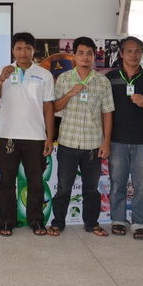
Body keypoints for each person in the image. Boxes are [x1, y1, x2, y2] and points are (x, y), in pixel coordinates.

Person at [50, 36, 114, 237]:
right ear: (74, 55)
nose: (85, 57)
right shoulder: (64, 79)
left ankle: (91, 223)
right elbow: (54, 108)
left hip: (93, 144)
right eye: (81, 53)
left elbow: (107, 112)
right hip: (68, 143)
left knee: (91, 189)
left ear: (94, 56)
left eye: (89, 53)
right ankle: (58, 223)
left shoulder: (102, 81)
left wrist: (106, 142)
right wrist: (70, 93)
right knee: (63, 187)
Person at [0, 32, 54, 237]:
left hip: (36, 137)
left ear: (33, 50)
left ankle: (36, 220)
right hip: (8, 135)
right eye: (19, 48)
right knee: (7, 182)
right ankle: (7, 220)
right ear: (13, 51)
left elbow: (48, 108)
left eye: (27, 48)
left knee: (35, 182)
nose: (23, 52)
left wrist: (49, 137)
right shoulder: (4, 71)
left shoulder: (44, 74)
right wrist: (1, 79)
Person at [105, 36, 143, 240]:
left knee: (142, 184)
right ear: (121, 54)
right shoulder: (110, 77)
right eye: (129, 51)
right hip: (116, 140)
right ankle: (118, 220)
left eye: (137, 51)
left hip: (142, 140)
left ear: (142, 54)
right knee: (117, 183)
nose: (133, 54)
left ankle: (140, 222)